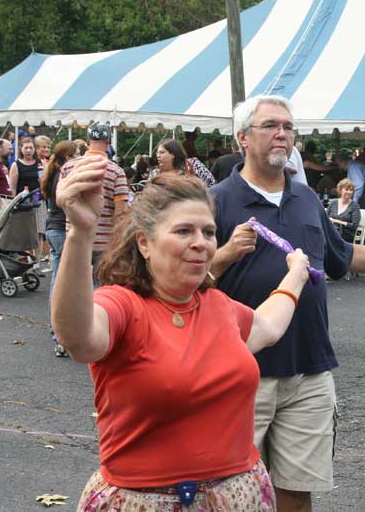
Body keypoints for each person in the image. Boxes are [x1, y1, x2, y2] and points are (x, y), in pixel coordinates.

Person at [210, 95, 365, 512]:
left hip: (309, 371)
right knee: (235, 496)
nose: (282, 134)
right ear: (243, 138)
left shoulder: (305, 199)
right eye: (271, 126)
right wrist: (226, 253)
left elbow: (345, 256)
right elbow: (182, 279)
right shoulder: (216, 201)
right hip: (241, 371)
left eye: (288, 127)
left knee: (299, 494)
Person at [53, 168, 311, 510]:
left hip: (238, 495)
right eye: (184, 231)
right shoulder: (123, 305)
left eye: (208, 232)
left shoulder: (217, 305)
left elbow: (267, 326)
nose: (200, 242)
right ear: (144, 243)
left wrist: (296, 276)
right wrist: (80, 234)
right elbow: (79, 337)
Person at [60, 123, 128, 277]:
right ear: (108, 142)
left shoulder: (68, 168)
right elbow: (120, 212)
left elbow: (63, 201)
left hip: (75, 237)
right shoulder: (116, 171)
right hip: (104, 241)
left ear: (88, 141)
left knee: (74, 288)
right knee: (101, 288)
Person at [41, 140, 77, 357]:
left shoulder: (52, 174)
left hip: (53, 230)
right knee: (66, 283)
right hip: (61, 231)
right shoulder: (62, 176)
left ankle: (57, 329)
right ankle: (62, 333)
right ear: (66, 158)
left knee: (57, 280)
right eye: (76, 154)